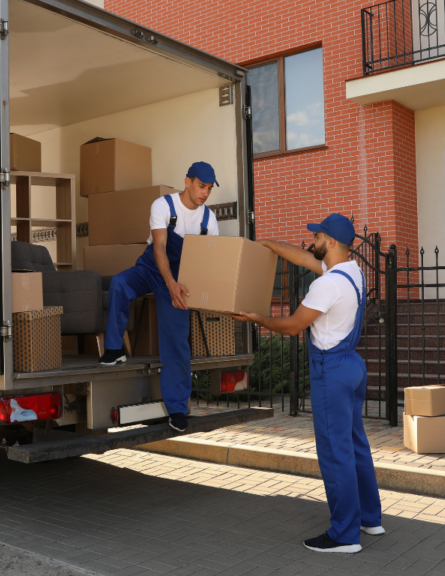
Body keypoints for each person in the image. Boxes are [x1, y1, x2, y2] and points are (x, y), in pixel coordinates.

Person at [231, 214, 382, 554]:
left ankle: (344, 536)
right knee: (356, 446)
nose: (311, 241)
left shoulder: (326, 285)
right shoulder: (352, 271)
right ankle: (370, 519)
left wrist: (257, 319)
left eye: (316, 236)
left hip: (331, 370)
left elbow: (291, 326)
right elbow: (303, 257)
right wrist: (270, 244)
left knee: (334, 452)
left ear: (329, 242)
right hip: (352, 366)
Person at [98, 162, 219, 432]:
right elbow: (160, 248)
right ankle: (114, 349)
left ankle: (177, 409)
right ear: (187, 181)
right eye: (202, 186)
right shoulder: (163, 205)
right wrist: (169, 282)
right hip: (152, 267)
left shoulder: (208, 220)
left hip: (182, 277)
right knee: (119, 283)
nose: (205, 193)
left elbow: (207, 260)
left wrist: (188, 288)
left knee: (176, 341)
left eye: (210, 189)